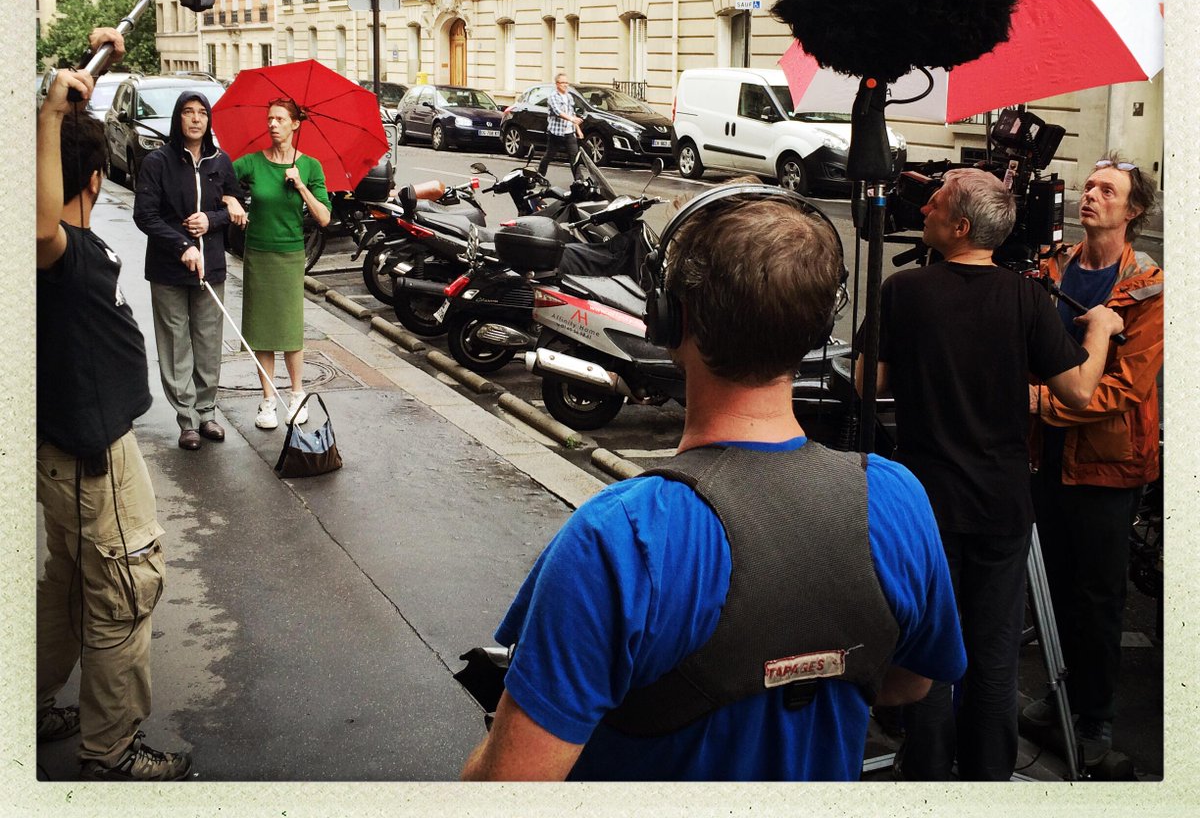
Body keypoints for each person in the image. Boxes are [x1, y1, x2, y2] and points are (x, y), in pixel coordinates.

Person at [462, 186, 967, 782]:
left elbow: (509, 788)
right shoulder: (896, 497)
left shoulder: (619, 537)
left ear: (669, 319)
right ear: (816, 326)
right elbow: (912, 681)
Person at [859, 168, 1123, 781]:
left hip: (928, 506)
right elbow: (1080, 390)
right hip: (1003, 505)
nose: (924, 202)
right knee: (995, 653)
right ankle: (988, 778)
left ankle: (924, 773)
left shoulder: (905, 292)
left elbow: (870, 386)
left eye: (938, 198)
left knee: (930, 647)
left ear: (959, 226)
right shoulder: (1027, 298)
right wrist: (1102, 330)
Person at [36, 31, 192, 781]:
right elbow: (40, 226)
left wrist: (90, 65)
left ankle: (29, 706)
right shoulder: (51, 248)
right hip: (88, 460)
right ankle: (110, 750)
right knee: (124, 592)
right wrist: (45, 120)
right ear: (97, 177)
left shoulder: (65, 239)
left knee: (67, 584)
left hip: (77, 452)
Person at [1024, 156, 1163, 766]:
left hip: (1108, 463)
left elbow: (1127, 388)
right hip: (1045, 456)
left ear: (1132, 211)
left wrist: (1040, 403)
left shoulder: (1148, 287)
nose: (1091, 196)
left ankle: (1097, 717)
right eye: (1089, 186)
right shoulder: (1052, 268)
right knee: (1051, 582)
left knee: (1099, 594)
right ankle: (1058, 697)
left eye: (1108, 191)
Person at [133, 91, 246, 450]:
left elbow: (237, 205)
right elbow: (145, 215)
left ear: (208, 120)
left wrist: (211, 219)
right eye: (188, 112)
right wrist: (182, 245)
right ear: (178, 119)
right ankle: (186, 419)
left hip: (210, 267)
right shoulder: (158, 162)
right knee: (175, 343)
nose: (196, 119)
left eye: (202, 113)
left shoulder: (220, 161)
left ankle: (207, 411)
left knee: (208, 341)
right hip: (168, 269)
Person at [233, 97, 331, 429]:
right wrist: (231, 200)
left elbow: (324, 217)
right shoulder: (251, 163)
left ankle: (297, 395)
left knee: (289, 329)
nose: (272, 124)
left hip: (290, 255)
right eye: (269, 118)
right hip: (258, 254)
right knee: (261, 329)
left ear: (295, 124)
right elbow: (218, 181)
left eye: (279, 119)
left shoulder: (311, 166)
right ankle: (267, 401)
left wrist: (301, 185)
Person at [536, 73, 584, 180]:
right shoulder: (553, 97)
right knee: (549, 155)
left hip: (569, 132)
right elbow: (558, 112)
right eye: (563, 82)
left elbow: (572, 113)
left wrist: (578, 129)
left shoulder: (569, 97)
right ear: (557, 84)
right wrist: (572, 119)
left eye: (567, 82)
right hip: (556, 133)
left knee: (574, 157)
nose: (565, 85)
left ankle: (579, 180)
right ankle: (539, 175)